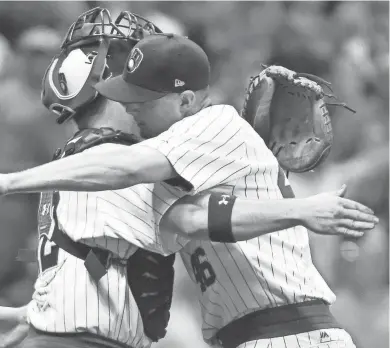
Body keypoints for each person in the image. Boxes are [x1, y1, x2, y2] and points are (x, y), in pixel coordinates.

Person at [0, 32, 378, 348]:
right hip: (250, 335)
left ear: (185, 101)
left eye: (142, 99)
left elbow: (125, 168)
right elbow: (192, 218)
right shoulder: (176, 167)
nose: (131, 108)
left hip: (292, 331)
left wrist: (10, 182)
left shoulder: (215, 121)